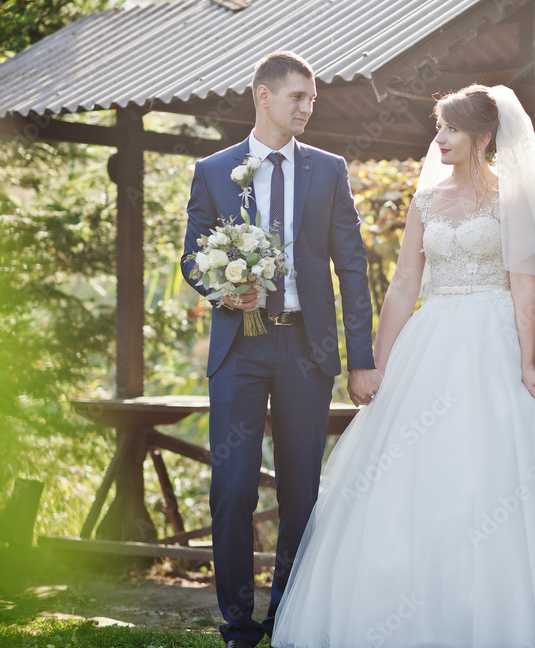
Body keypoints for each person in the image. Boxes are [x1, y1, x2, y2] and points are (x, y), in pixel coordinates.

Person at [270, 84, 535, 648]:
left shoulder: (510, 200)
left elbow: (526, 290)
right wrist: (377, 363)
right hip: (433, 335)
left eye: (451, 129)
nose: (440, 139)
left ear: (483, 138)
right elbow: (403, 285)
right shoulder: (424, 201)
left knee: (511, 473)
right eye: (438, 127)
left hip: (496, 340)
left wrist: (526, 362)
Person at [181, 51, 382, 648]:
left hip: (305, 347)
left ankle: (287, 615)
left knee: (301, 489)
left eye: (312, 98)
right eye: (297, 96)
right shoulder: (214, 171)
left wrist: (361, 358)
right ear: (262, 97)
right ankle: (239, 625)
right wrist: (221, 284)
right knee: (234, 485)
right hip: (239, 348)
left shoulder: (329, 169)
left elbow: (351, 266)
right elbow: (192, 256)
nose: (307, 107)